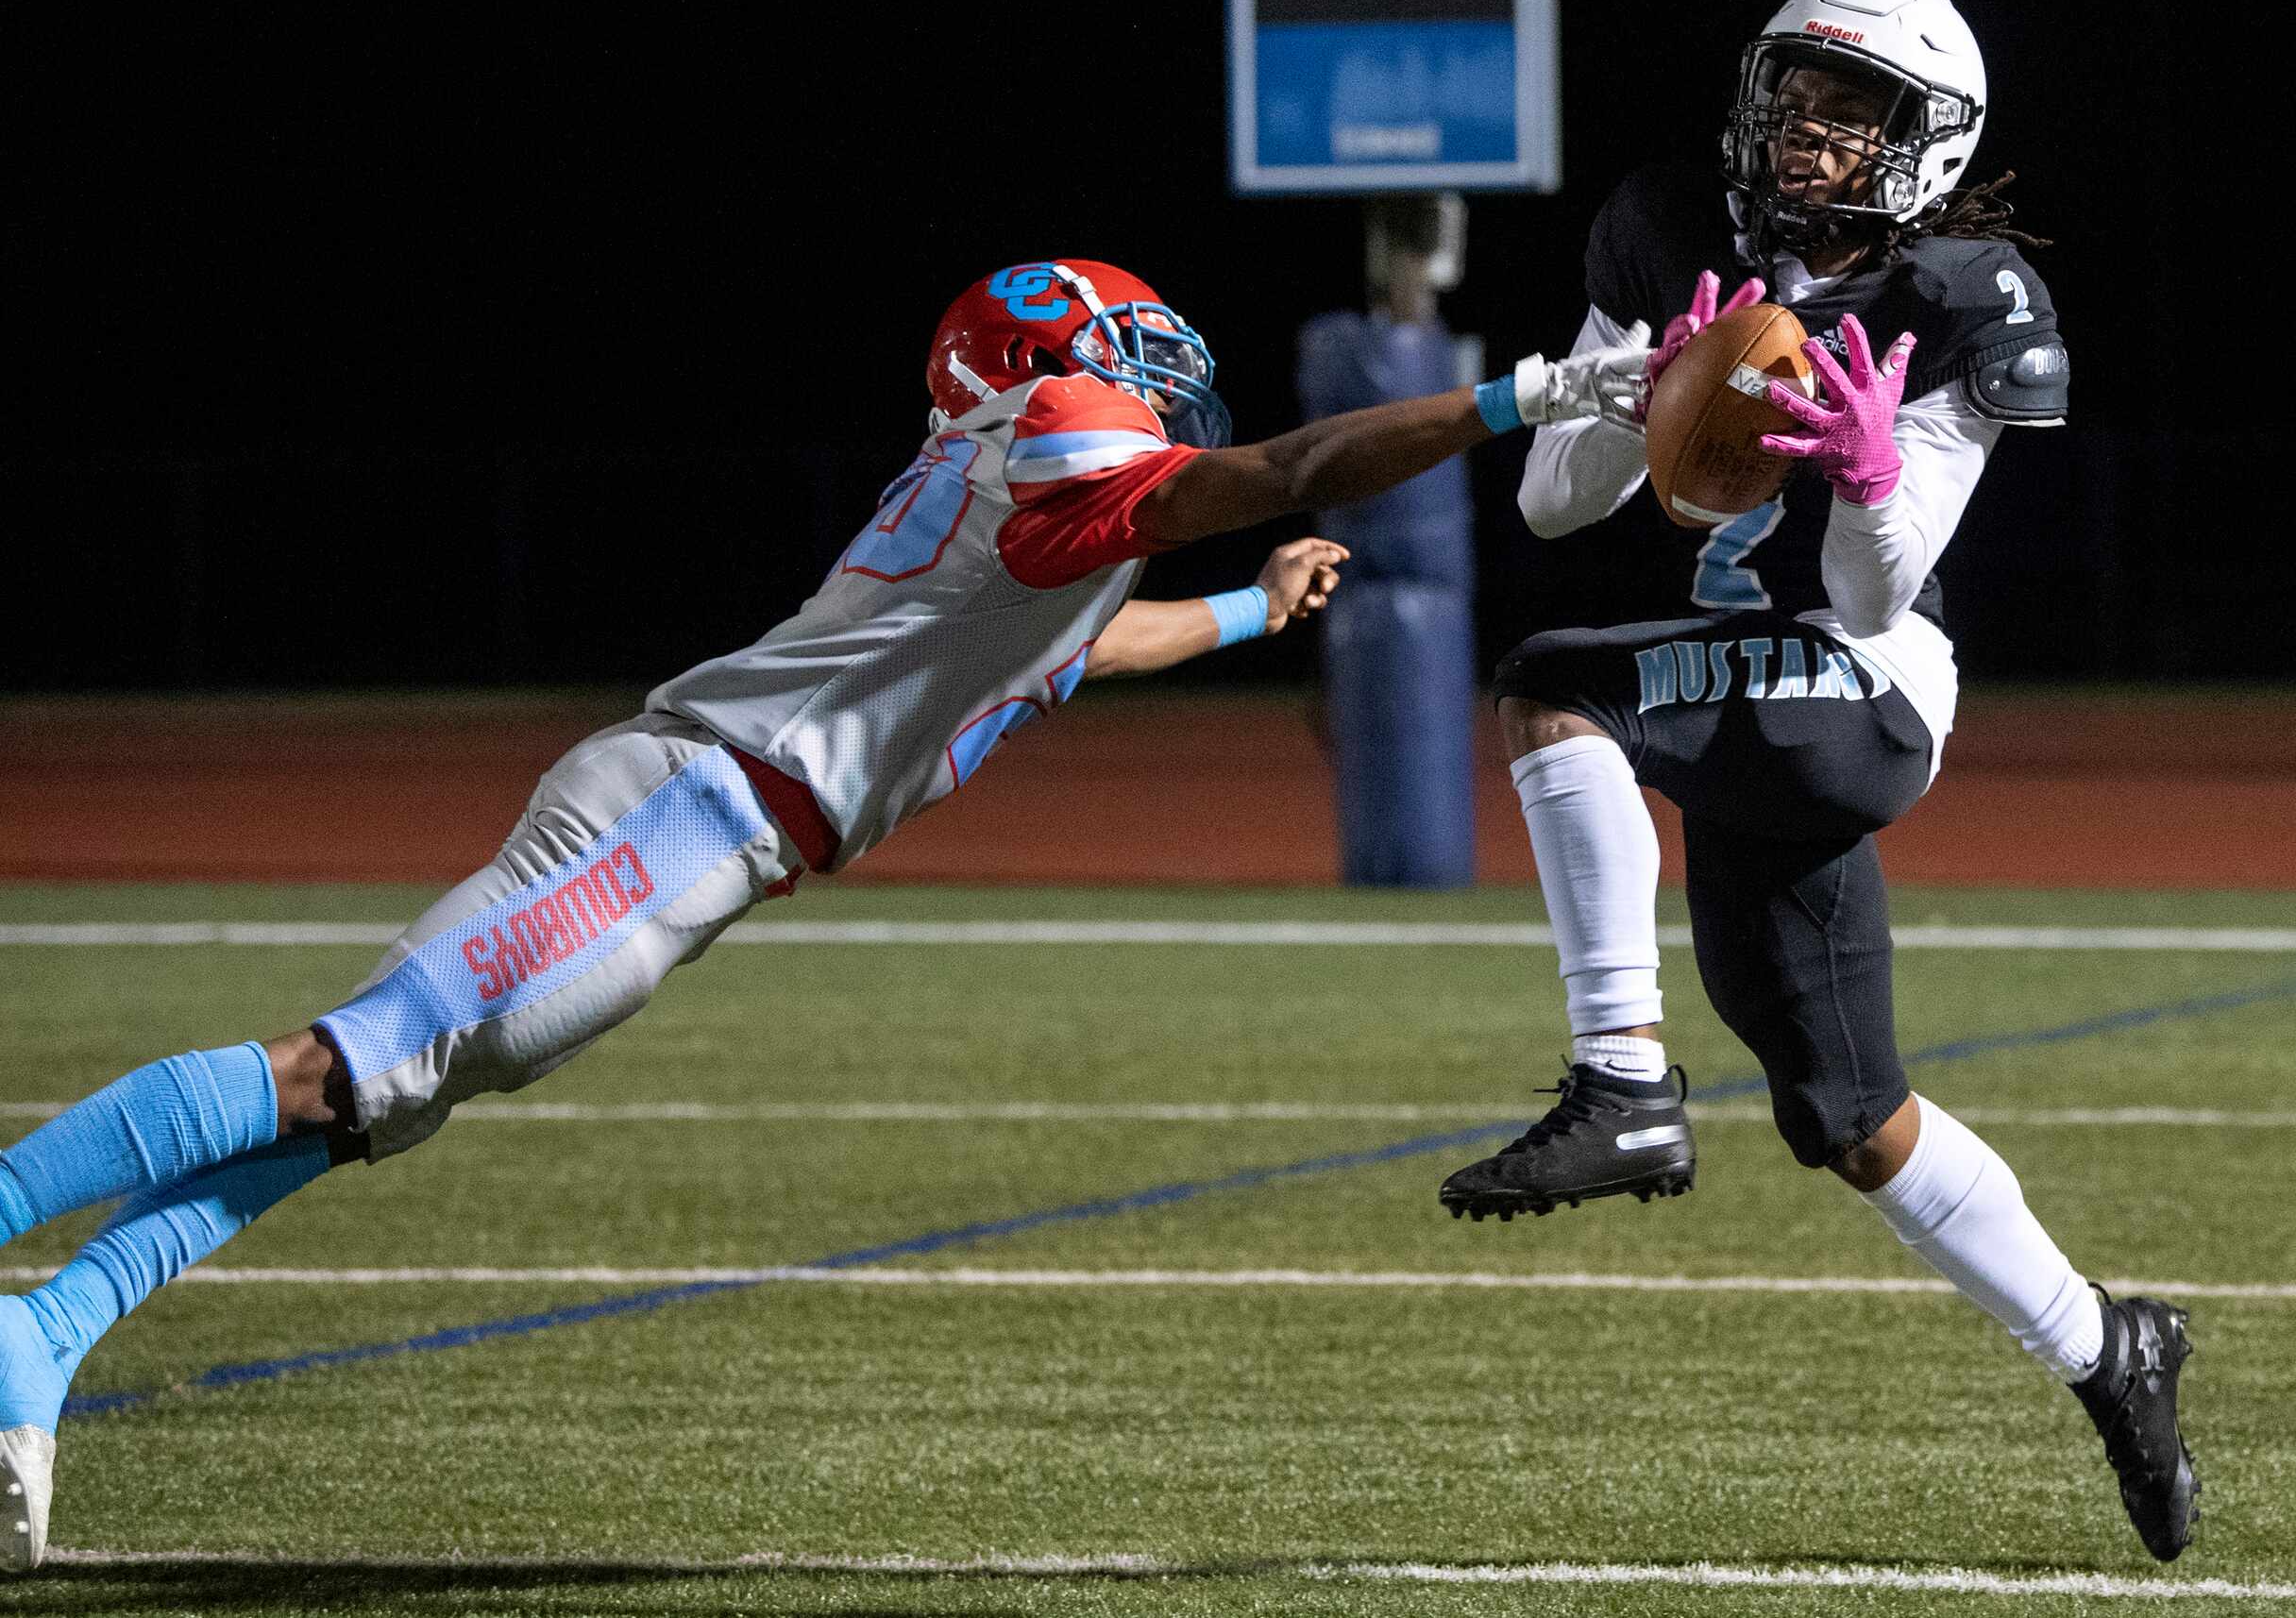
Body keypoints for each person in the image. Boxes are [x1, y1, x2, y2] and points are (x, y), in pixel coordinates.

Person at [0, 259, 1650, 1573]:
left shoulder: (1020, 511)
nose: (1154, 375)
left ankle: (46, 1335)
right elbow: (1284, 462)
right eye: (1131, 345)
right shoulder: (1059, 442)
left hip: (701, 835)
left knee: (377, 1098)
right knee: (344, 1068)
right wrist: (1523, 395)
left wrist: (1241, 603)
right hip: (679, 815)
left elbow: (1067, 649)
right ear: (1051, 354)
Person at [1433, 0, 2199, 1561]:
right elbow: (1549, 505)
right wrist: (1644, 395)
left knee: (1551, 689)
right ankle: (2105, 1346)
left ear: (1926, 142)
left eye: (1857, 112)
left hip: (1858, 692)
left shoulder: (1967, 298)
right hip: (1737, 700)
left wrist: (1862, 469)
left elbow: (1874, 592)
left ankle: (1625, 1083)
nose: (1812, 131)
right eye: (1800, 94)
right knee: (1849, 1115)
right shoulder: (1662, 229)